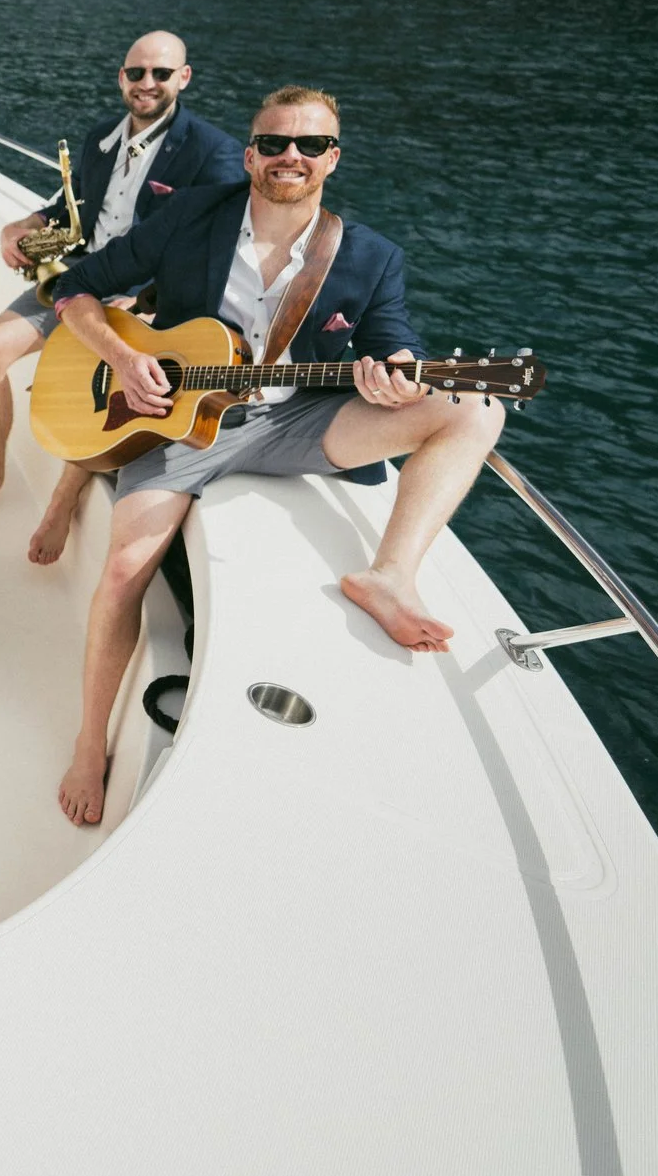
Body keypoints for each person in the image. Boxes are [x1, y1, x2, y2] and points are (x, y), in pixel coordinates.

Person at [46, 87, 504, 825]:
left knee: (477, 407)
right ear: (251, 152)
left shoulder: (369, 256)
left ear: (334, 158)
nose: (293, 156)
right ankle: (90, 741)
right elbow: (77, 290)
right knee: (124, 568)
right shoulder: (193, 213)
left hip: (290, 419)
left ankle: (389, 576)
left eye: (312, 145)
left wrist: (396, 373)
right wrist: (122, 360)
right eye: (276, 142)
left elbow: (395, 340)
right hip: (174, 420)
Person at [0, 31, 244, 567]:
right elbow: (72, 214)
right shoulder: (98, 140)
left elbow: (222, 238)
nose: (147, 84)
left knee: (111, 386)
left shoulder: (214, 153)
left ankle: (61, 502)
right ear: (122, 78)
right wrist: (26, 225)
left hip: (148, 298)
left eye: (161, 74)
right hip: (81, 281)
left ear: (182, 79)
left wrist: (161, 303)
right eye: (136, 73)